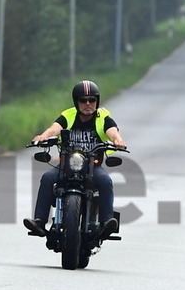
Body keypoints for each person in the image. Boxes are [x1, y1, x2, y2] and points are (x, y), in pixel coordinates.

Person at [23, 79, 126, 239]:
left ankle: (107, 222)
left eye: (92, 100)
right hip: (66, 166)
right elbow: (55, 128)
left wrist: (117, 140)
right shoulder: (68, 115)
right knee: (48, 178)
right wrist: (43, 136)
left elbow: (112, 130)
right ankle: (40, 221)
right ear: (76, 102)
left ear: (97, 101)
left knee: (106, 181)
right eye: (83, 100)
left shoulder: (102, 117)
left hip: (93, 167)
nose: (88, 104)